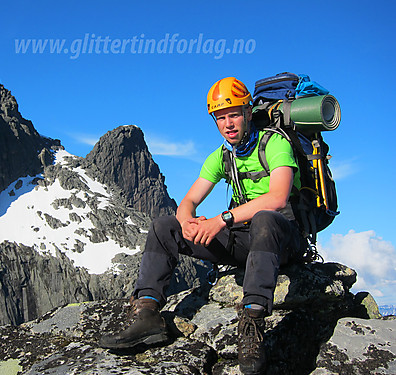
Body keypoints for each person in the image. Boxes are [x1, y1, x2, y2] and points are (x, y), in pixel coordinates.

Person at [99, 77, 305, 375]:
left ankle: (251, 325)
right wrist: (187, 223)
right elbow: (188, 202)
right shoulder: (221, 157)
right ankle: (147, 313)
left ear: (248, 113)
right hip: (243, 241)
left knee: (263, 219)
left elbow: (277, 198)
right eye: (220, 118)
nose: (228, 124)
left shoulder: (274, 144)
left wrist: (221, 220)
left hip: (281, 238)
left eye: (234, 114)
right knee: (163, 226)